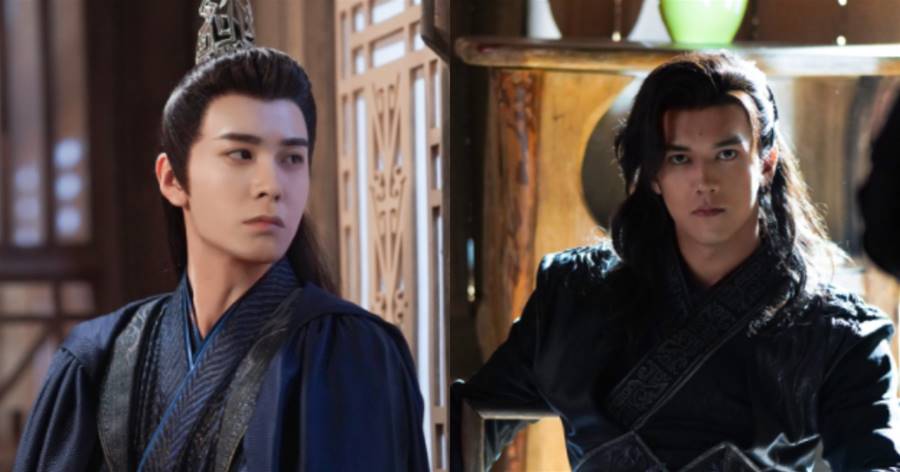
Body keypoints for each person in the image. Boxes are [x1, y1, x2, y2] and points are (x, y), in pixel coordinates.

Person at [13, 2, 429, 470]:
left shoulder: (344, 354)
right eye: (241, 154)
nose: (272, 185)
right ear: (172, 179)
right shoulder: (97, 359)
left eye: (292, 159)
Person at [452, 52, 900, 471]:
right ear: (654, 175)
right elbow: (470, 425)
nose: (704, 181)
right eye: (680, 158)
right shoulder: (576, 298)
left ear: (766, 163)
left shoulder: (838, 335)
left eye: (726, 154)